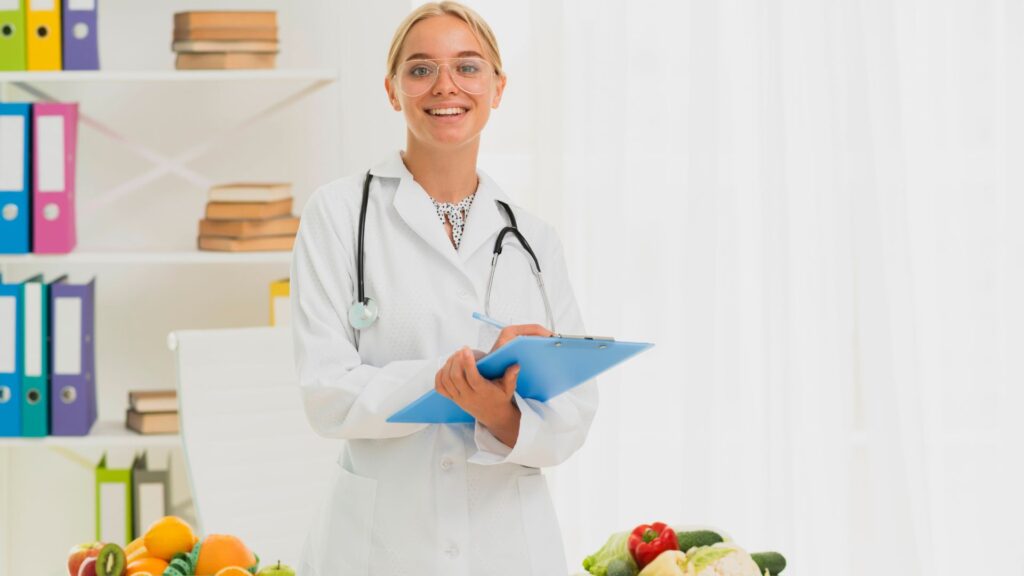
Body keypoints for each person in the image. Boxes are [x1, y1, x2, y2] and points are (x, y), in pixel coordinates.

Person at [290, 3, 597, 575]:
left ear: (498, 87)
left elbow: (573, 414)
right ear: (392, 89)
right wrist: (454, 381)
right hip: (381, 548)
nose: (446, 86)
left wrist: (500, 415)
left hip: (506, 547)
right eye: (421, 68)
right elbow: (326, 394)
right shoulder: (336, 215)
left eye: (469, 67)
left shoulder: (533, 238)